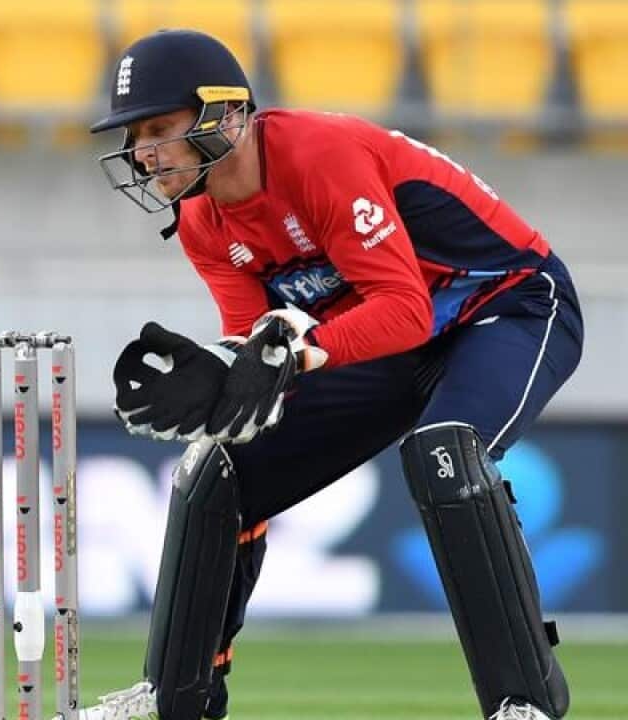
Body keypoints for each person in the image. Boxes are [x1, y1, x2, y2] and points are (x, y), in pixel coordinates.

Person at [80, 29, 583, 720]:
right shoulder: (200, 221)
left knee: (448, 452)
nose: (143, 153)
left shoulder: (319, 157)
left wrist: (298, 355)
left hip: (509, 301)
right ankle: (177, 695)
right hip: (394, 339)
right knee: (220, 463)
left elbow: (403, 307)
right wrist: (227, 375)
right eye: (137, 135)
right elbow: (260, 339)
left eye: (159, 129)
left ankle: (523, 703)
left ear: (225, 116)